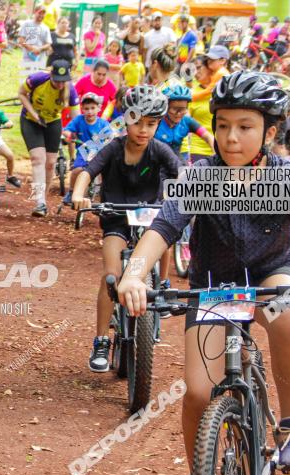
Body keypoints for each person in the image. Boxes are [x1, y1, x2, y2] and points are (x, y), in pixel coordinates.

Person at [114, 72, 290, 475]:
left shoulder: (289, 178)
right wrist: (134, 274)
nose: (231, 137)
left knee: (286, 307)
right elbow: (162, 230)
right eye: (222, 125)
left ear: (270, 131)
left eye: (244, 126)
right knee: (199, 395)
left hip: (272, 274)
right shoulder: (198, 176)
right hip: (215, 287)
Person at [69, 85, 178, 373]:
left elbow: (183, 178)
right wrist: (80, 194)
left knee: (166, 235)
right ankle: (102, 339)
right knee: (111, 277)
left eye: (151, 124)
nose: (143, 130)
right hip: (115, 219)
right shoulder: (112, 149)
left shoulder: (161, 151)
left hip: (150, 218)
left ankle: (163, 286)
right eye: (137, 122)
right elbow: (88, 172)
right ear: (125, 119)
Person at [18, 59, 78, 217]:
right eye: (57, 80)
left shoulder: (70, 90)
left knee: (51, 163)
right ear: (51, 75)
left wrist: (70, 132)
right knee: (38, 159)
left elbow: (75, 117)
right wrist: (33, 113)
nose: (60, 85)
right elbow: (21, 94)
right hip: (31, 120)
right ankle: (39, 202)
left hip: (52, 122)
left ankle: (42, 196)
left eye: (63, 82)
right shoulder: (37, 79)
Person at [62, 92, 110, 202]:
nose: (90, 112)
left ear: (99, 108)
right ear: (82, 109)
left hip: (99, 154)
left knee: (106, 172)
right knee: (76, 170)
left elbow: (110, 136)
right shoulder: (79, 120)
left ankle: (102, 193)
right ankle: (71, 192)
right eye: (86, 108)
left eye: (93, 108)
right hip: (83, 153)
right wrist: (68, 134)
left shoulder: (103, 124)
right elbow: (67, 130)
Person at [155, 84, 214, 162]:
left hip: (176, 160)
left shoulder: (186, 121)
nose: (179, 113)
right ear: (166, 107)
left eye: (183, 109)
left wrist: (216, 152)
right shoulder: (156, 122)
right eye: (175, 109)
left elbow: (208, 136)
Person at [180, 56, 214, 165]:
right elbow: (186, 119)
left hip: (221, 149)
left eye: (199, 68)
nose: (196, 72)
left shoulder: (220, 91)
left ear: (209, 68)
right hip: (198, 150)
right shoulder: (192, 93)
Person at [17, 5, 51, 77]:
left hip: (41, 61)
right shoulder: (27, 24)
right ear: (35, 12)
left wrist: (39, 48)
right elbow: (21, 40)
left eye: (43, 13)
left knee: (38, 82)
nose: (41, 15)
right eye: (40, 13)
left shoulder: (46, 28)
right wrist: (32, 48)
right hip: (28, 60)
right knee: (27, 82)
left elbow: (48, 44)